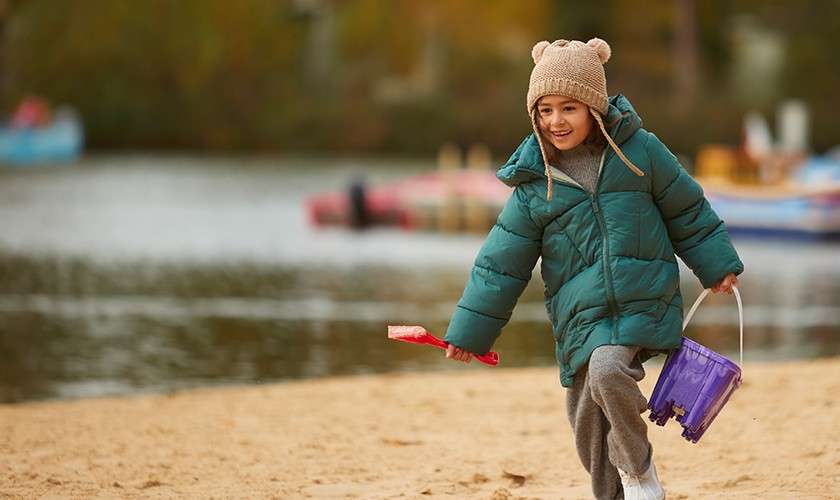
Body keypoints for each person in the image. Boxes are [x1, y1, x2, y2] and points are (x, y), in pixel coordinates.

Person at [442, 38, 743, 500]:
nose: (556, 121)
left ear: (594, 108)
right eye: (545, 110)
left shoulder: (640, 153)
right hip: (580, 318)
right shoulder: (534, 184)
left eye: (569, 108)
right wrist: (469, 333)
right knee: (586, 422)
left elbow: (687, 210)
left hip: (644, 301)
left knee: (607, 370)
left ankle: (640, 474)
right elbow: (500, 266)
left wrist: (716, 264)